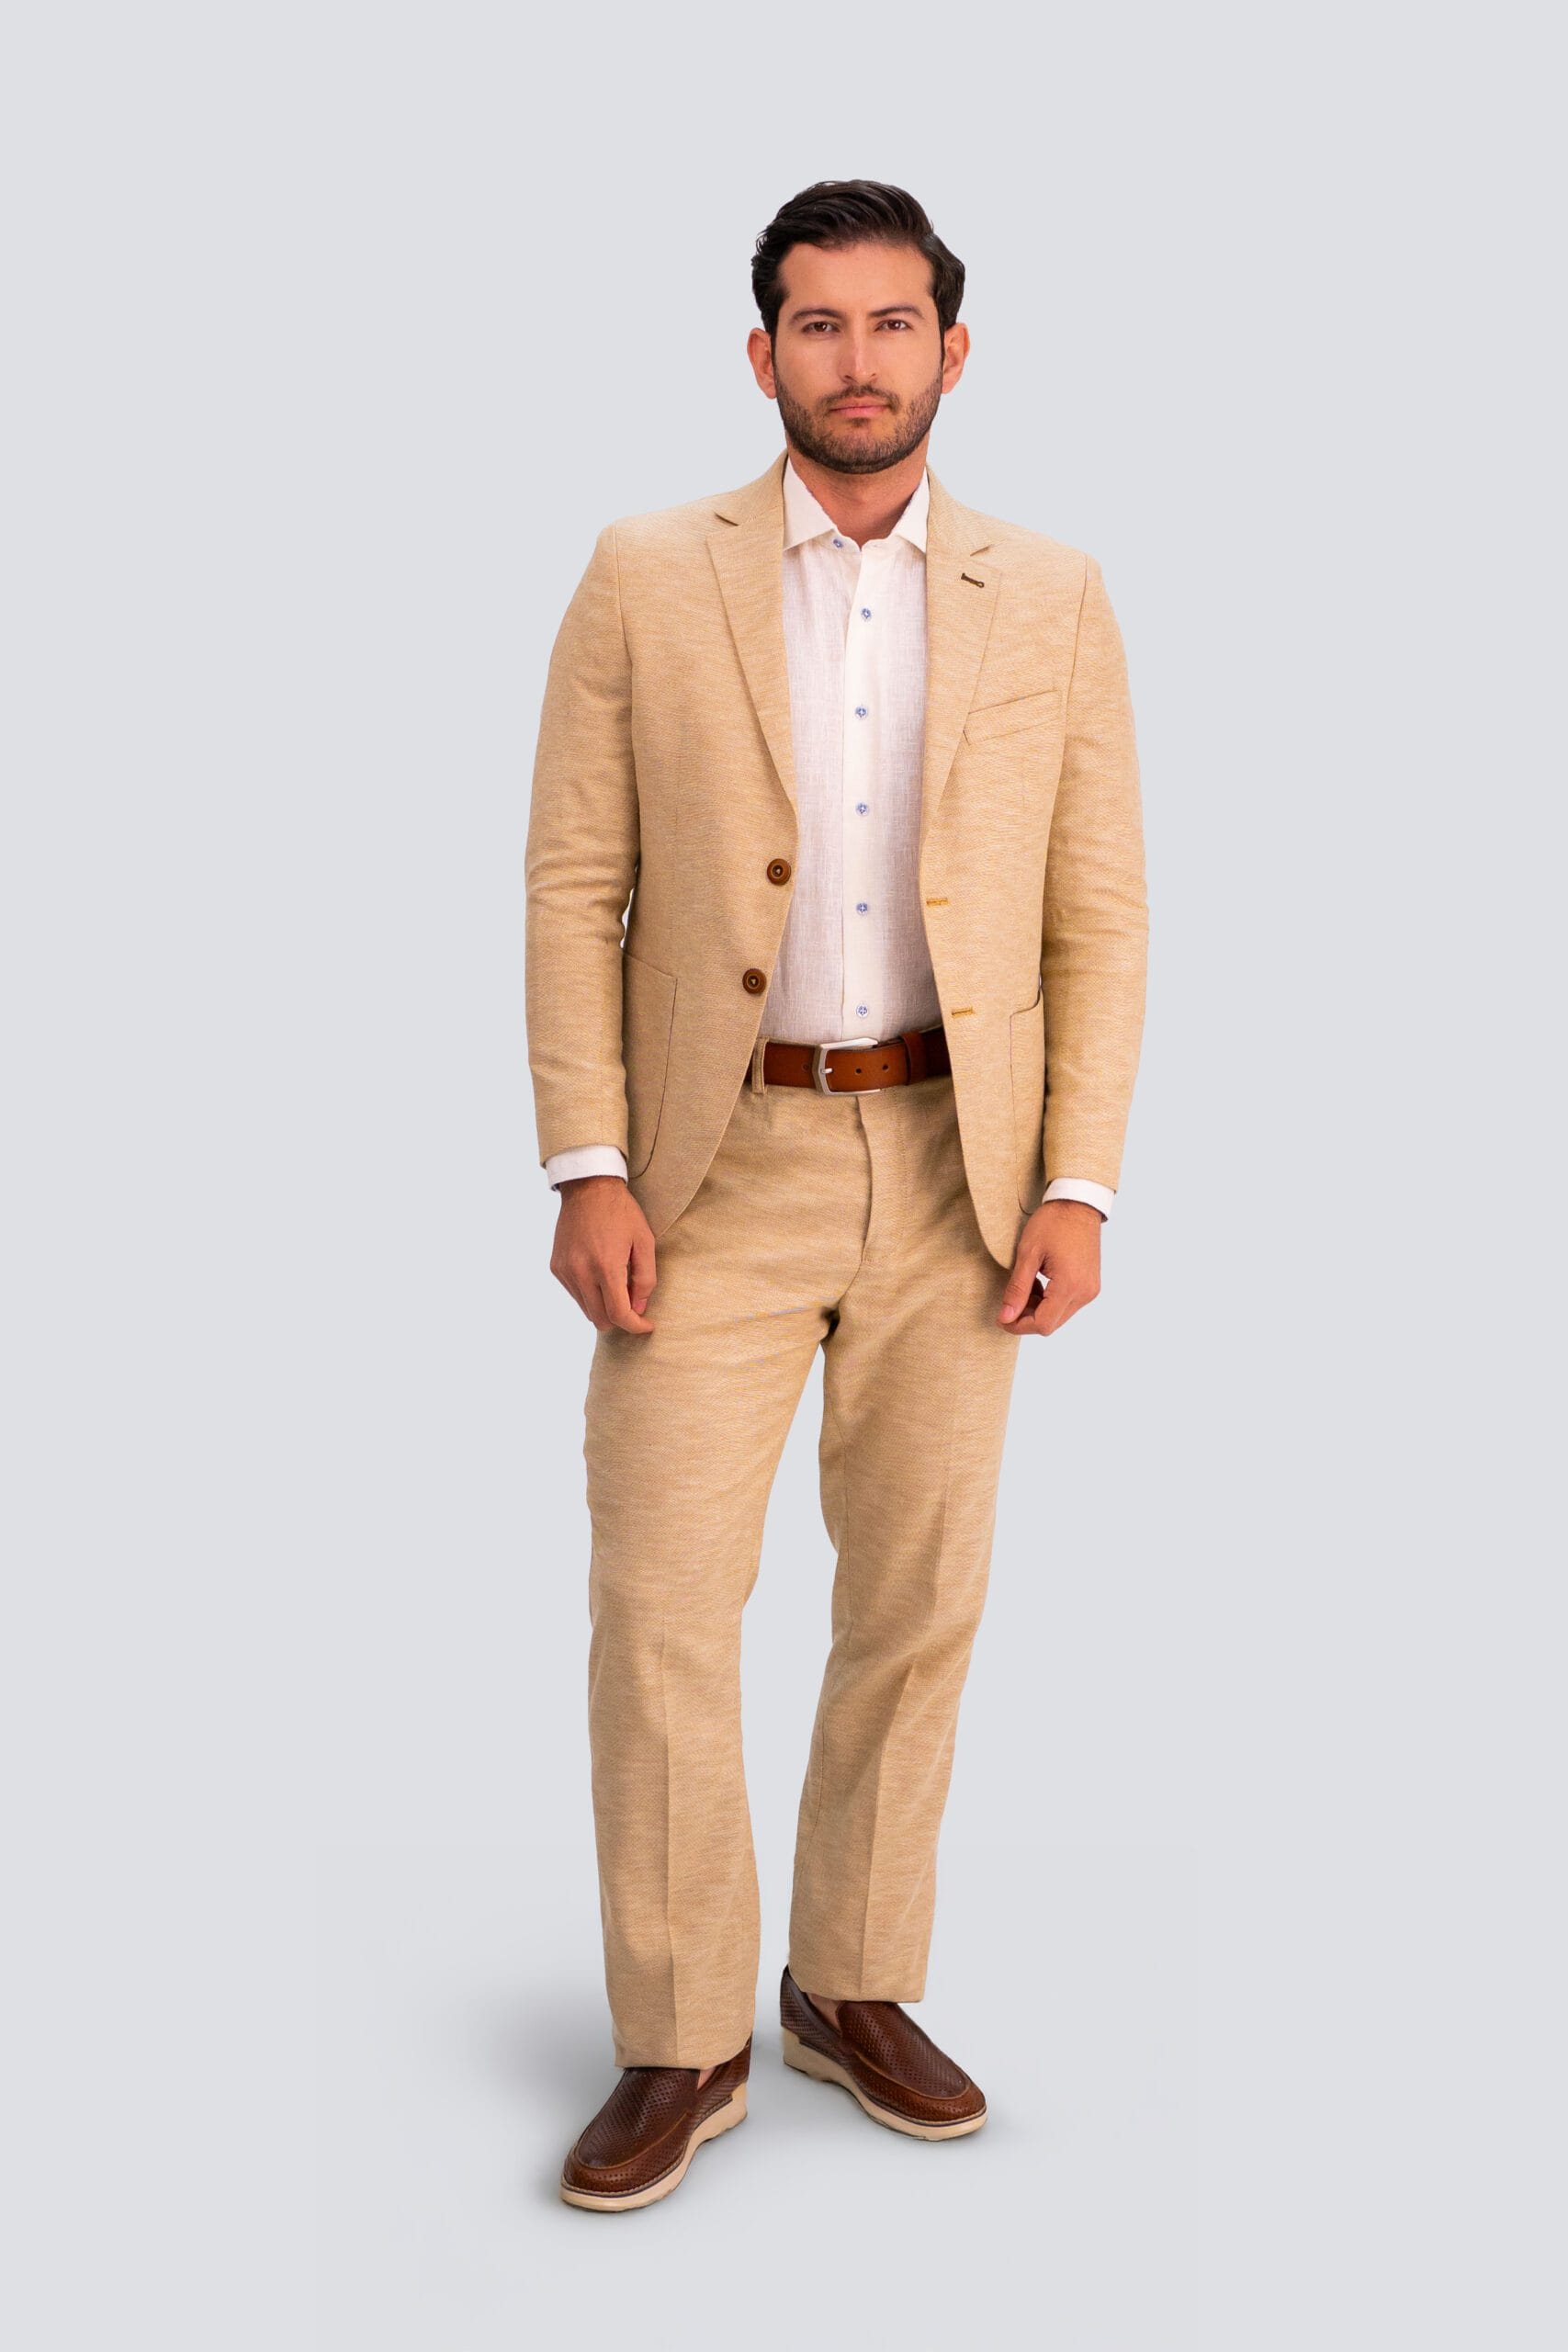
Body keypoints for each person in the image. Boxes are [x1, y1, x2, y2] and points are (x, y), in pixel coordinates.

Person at [525, 178, 1148, 2211]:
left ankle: (849, 1980)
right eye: (818, 324)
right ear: (761, 352)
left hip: (960, 1171)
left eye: (892, 325)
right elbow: (573, 884)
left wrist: (1076, 1181)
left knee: (914, 1601)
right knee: (657, 1606)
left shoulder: (1053, 594)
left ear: (950, 352)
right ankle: (681, 2027)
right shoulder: (645, 572)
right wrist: (588, 1158)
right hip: (710, 1170)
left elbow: (1096, 915)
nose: (856, 362)